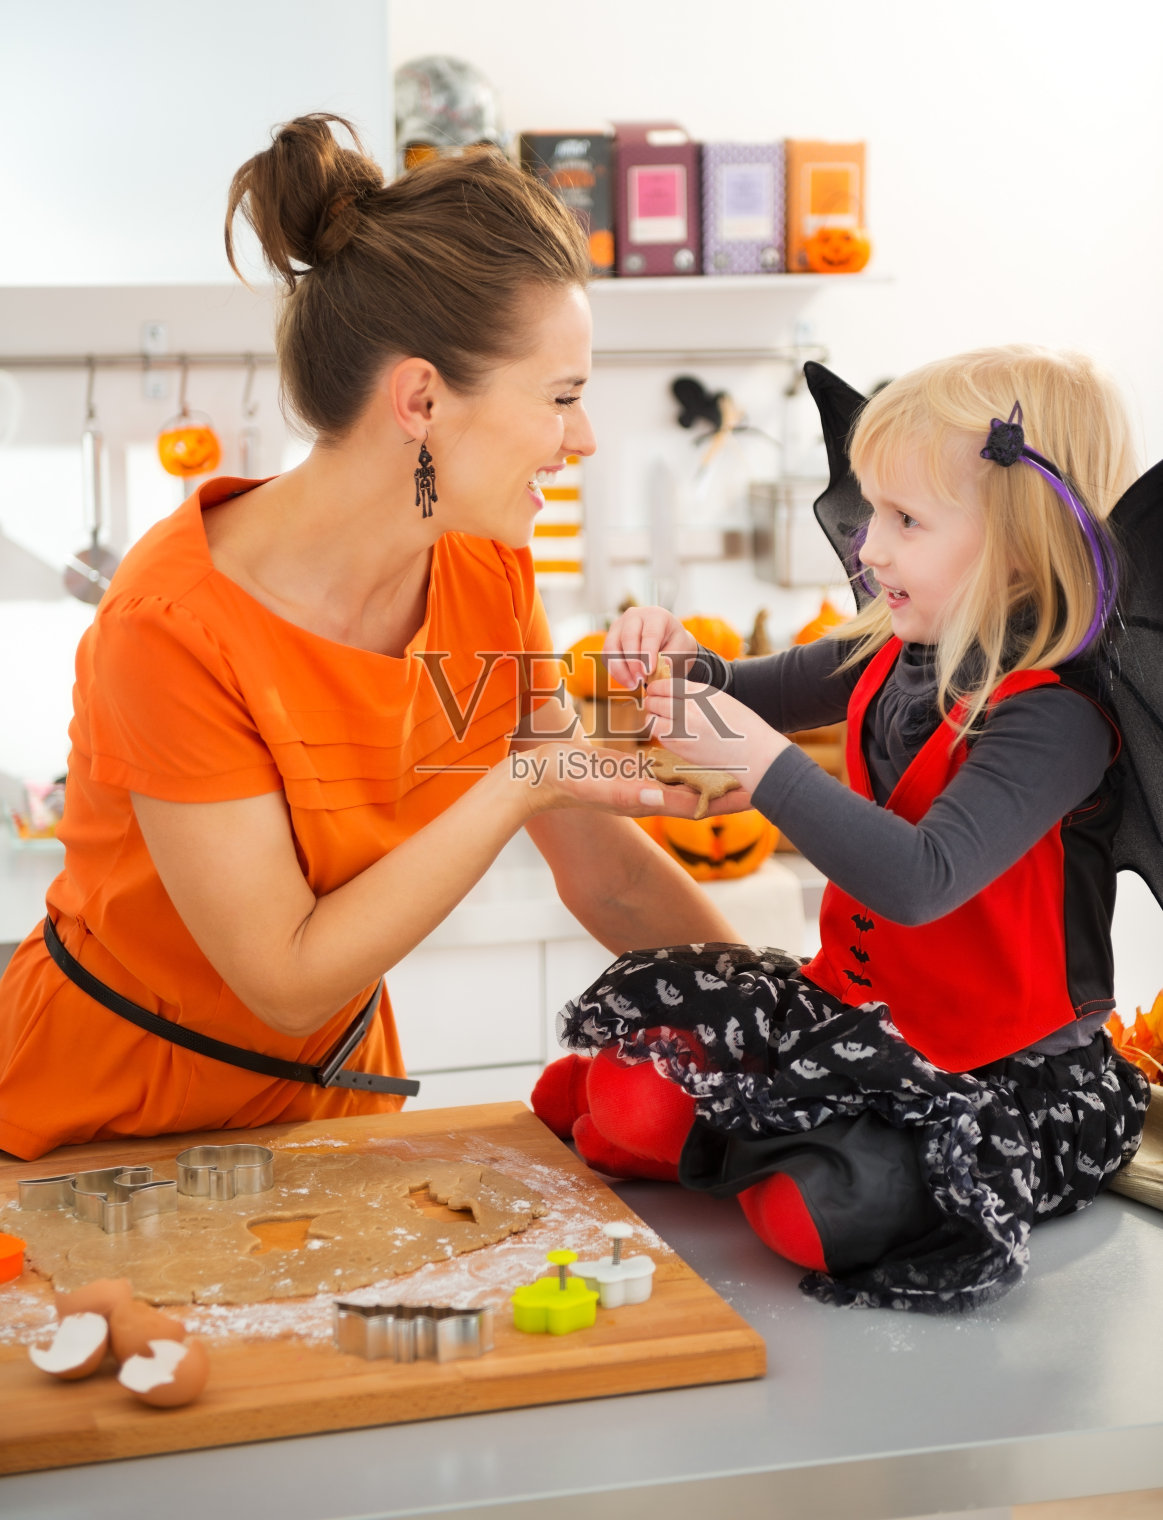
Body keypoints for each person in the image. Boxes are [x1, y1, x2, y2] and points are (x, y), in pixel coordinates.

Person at [0, 114, 739, 1162]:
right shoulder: (168, 629)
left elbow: (605, 873)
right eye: (562, 398)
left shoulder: (484, 570)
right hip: (103, 1126)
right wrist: (524, 778)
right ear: (422, 399)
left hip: (326, 1110)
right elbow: (287, 976)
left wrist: (784, 1021)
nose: (582, 438)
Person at [533, 345, 1154, 1312]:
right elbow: (723, 697)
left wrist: (758, 764)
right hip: (856, 1017)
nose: (868, 550)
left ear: (1020, 545)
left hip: (1001, 1068)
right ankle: (718, 1132)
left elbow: (919, 878)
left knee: (811, 1217)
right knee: (636, 1094)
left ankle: (758, 1151)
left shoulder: (1058, 719)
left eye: (906, 521)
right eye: (871, 514)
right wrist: (665, 657)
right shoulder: (888, 646)